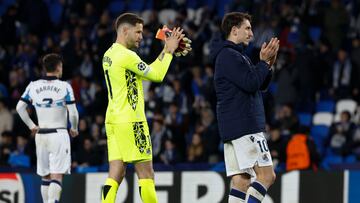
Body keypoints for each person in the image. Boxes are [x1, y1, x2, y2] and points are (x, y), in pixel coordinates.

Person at [101, 13, 189, 203]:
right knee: (146, 174)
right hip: (131, 120)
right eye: (138, 32)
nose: (142, 36)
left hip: (113, 120)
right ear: (125, 31)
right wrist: (170, 51)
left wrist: (166, 49)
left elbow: (147, 69)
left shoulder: (109, 54)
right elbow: (157, 75)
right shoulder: (128, 56)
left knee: (115, 172)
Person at [210, 12, 279, 203]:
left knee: (242, 181)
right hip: (245, 126)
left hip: (234, 128)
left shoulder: (233, 56)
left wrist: (268, 66)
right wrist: (263, 62)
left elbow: (259, 85)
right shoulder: (229, 56)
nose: (251, 34)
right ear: (234, 30)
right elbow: (251, 83)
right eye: (247, 28)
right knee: (267, 176)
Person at [16, 53, 79, 203]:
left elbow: (19, 108)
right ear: (58, 67)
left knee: (45, 176)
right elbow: (74, 113)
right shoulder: (65, 86)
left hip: (41, 134)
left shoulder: (33, 85)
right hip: (58, 134)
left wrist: (32, 126)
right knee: (56, 175)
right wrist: (74, 128)